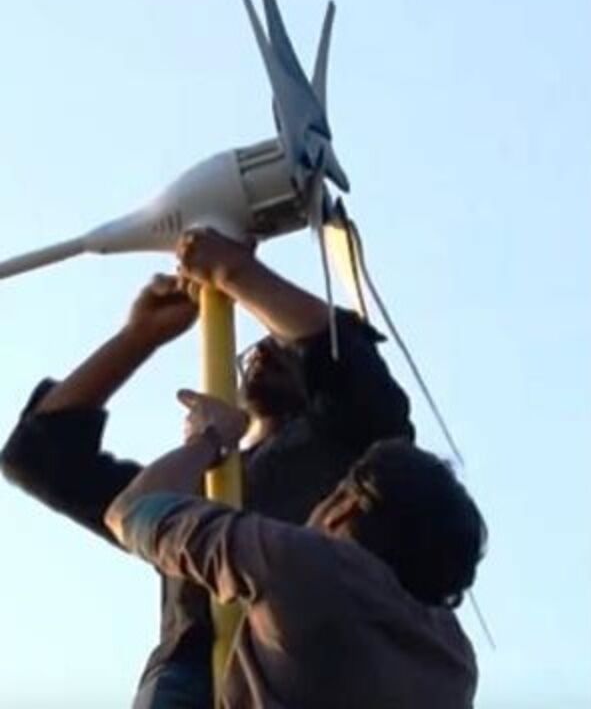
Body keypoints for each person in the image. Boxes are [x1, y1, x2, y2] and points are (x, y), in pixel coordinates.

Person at [1, 229, 416, 708]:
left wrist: (235, 273)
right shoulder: (185, 489)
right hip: (186, 677)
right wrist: (140, 336)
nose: (264, 350)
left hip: (295, 670)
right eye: (259, 347)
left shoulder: (356, 445)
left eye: (283, 345)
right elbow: (40, 457)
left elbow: (338, 350)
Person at [104, 389, 483, 708]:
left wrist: (209, 439)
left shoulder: (305, 564)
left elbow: (130, 512)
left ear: (343, 508)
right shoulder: (455, 664)